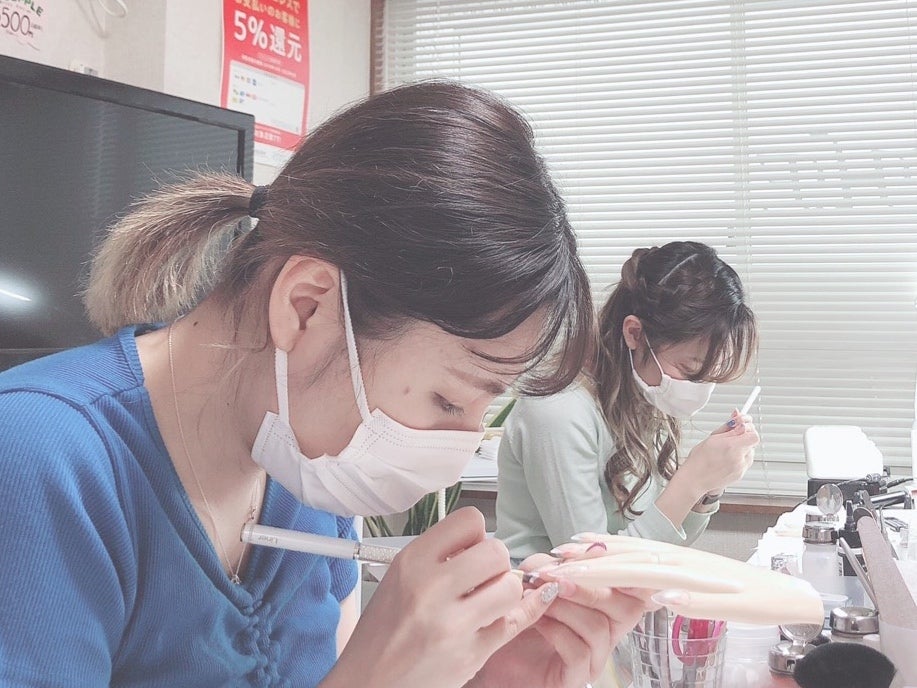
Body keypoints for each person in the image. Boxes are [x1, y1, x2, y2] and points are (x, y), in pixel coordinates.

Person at [0, 82, 650, 688]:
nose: (455, 455)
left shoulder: (309, 469)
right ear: (306, 307)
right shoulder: (39, 461)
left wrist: (477, 674)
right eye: (448, 400)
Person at [495, 241, 760, 562]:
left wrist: (709, 487)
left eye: (709, 376)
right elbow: (591, 563)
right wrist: (691, 480)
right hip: (543, 587)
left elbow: (664, 542)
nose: (699, 390)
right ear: (634, 333)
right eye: (689, 370)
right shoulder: (557, 412)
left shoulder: (641, 394)